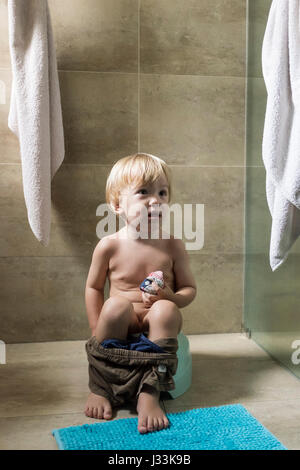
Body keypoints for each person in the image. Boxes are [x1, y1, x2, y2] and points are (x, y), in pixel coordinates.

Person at [84, 152, 197, 434]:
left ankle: (150, 392)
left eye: (162, 192)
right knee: (114, 306)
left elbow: (189, 290)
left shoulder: (172, 245)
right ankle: (101, 386)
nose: (155, 200)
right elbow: (94, 287)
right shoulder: (109, 246)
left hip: (156, 321)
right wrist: (97, 328)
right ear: (117, 204)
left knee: (166, 310)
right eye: (143, 192)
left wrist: (170, 296)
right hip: (123, 321)